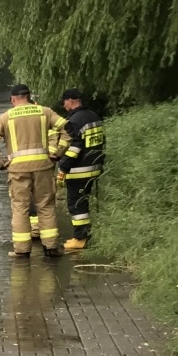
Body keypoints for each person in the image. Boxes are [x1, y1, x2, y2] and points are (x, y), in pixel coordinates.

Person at [0, 84, 69, 258]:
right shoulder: (45, 112)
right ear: (29, 96)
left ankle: (22, 251)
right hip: (43, 167)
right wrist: (57, 154)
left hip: (17, 170)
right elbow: (68, 130)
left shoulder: (6, 117)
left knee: (20, 208)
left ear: (13, 99)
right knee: (45, 206)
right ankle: (51, 248)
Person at [56, 89, 105, 250]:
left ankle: (80, 238)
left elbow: (75, 147)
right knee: (82, 202)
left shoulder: (74, 120)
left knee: (76, 204)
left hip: (79, 170)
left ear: (71, 101)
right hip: (94, 167)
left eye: (64, 102)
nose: (64, 105)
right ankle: (83, 235)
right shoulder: (93, 116)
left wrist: (63, 167)